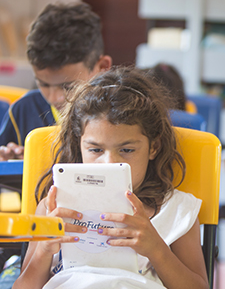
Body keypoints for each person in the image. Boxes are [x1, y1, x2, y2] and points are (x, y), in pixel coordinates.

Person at [13, 67, 209, 289]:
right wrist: (43, 250)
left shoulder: (177, 210)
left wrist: (156, 249)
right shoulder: (53, 209)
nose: (109, 163)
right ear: (80, 145)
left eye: (126, 150)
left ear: (153, 147)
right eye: (96, 150)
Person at [0, 1, 112, 161]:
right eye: (43, 84)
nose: (54, 98)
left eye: (68, 86)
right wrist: (11, 162)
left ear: (102, 67)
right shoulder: (23, 111)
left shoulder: (119, 115)